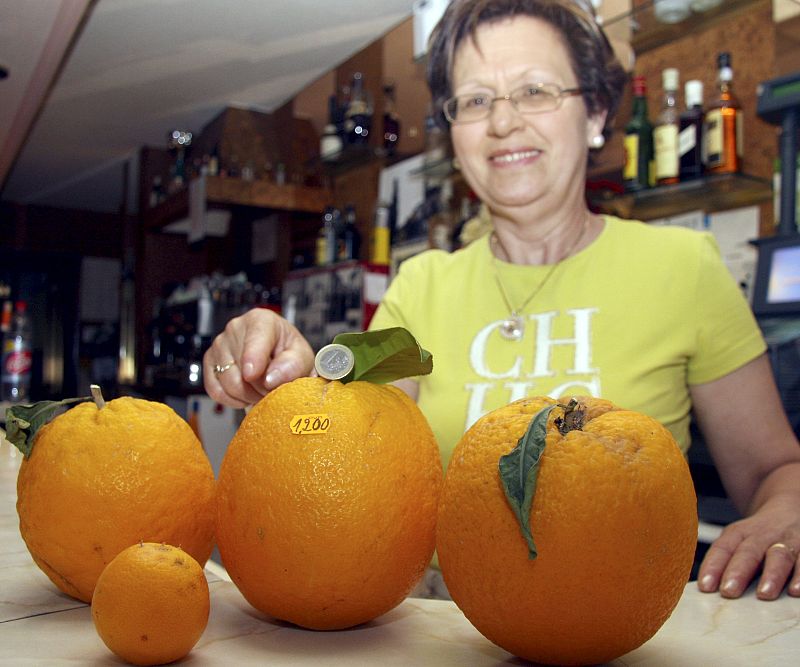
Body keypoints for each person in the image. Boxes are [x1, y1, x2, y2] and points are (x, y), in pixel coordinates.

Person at [204, 0, 800, 602]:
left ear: (594, 112)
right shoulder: (421, 283)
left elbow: (774, 470)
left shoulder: (684, 268)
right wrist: (291, 379)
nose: (503, 122)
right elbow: (343, 435)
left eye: (535, 90)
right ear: (455, 133)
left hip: (615, 619)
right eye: (476, 100)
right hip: (436, 626)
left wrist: (787, 513)